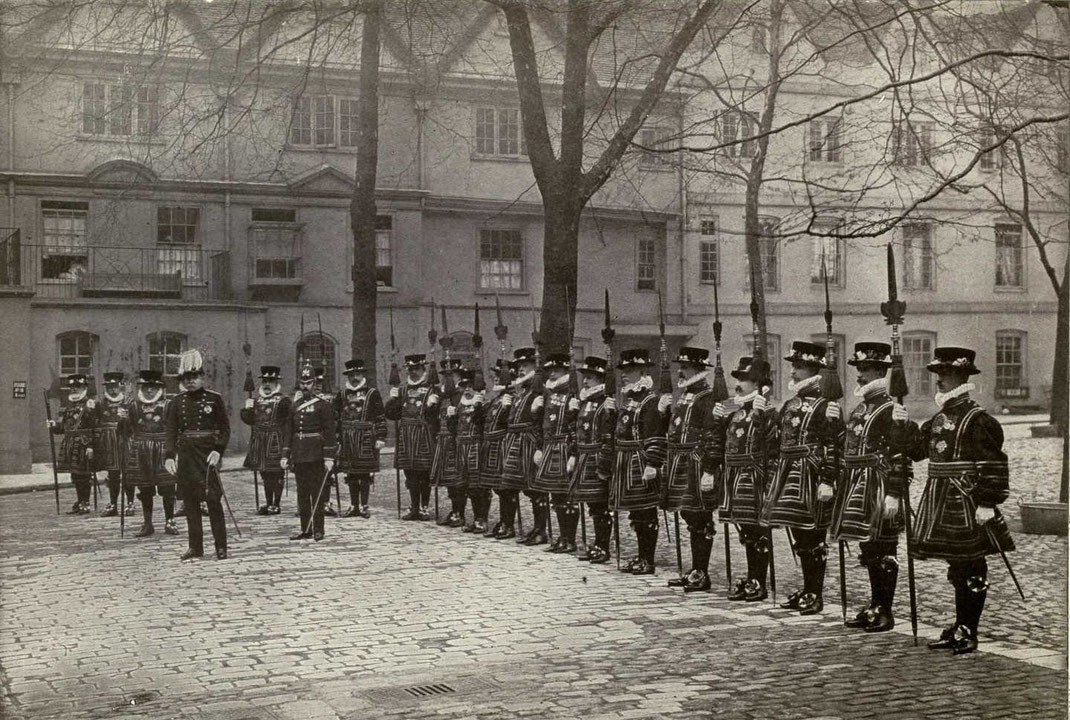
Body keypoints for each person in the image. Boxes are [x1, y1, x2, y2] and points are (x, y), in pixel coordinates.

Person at [900, 346, 1015, 655]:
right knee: (957, 566)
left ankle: (969, 629)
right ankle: (960, 624)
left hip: (966, 500)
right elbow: (917, 452)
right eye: (938, 373)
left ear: (962, 376)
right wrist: (904, 425)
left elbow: (992, 463)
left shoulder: (978, 419)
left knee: (972, 564)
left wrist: (987, 502)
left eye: (946, 374)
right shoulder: (939, 417)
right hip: (940, 500)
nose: (940, 379)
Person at [829, 342, 906, 632]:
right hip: (856, 484)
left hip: (879, 484)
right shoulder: (861, 408)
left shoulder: (890, 408)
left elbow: (901, 457)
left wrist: (895, 493)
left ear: (880, 371)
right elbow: (845, 446)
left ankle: (885, 610)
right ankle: (875, 604)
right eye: (859, 369)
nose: (860, 375)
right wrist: (833, 425)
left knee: (884, 546)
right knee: (868, 546)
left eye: (867, 370)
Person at [764, 341, 842, 615]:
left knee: (813, 535)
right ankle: (807, 588)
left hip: (811, 475)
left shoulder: (826, 405)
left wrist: (827, 479)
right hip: (788, 474)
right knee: (798, 534)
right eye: (793, 366)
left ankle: (814, 592)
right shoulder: (789, 404)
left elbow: (833, 445)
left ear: (813, 370)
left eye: (798, 367)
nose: (793, 372)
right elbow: (775, 439)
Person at [716, 356, 777, 601]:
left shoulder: (769, 413)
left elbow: (772, 449)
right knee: (747, 531)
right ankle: (752, 577)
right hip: (736, 478)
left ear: (759, 385)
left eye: (745, 380)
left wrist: (770, 483)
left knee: (759, 531)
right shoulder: (738, 414)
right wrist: (718, 421)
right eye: (739, 379)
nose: (738, 385)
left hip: (757, 478)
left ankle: (759, 582)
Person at [661, 347, 720, 592]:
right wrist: (663, 413)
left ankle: (701, 572)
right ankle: (695, 569)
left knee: (700, 515)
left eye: (684, 367)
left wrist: (709, 469)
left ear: (697, 369)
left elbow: (714, 435)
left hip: (696, 461)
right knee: (688, 514)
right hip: (680, 461)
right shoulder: (685, 396)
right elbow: (674, 429)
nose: (680, 372)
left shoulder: (708, 397)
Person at [164, 350, 231, 560]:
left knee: (213, 501)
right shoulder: (177, 402)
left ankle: (221, 546)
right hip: (186, 456)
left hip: (207, 455)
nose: (191, 382)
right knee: (190, 503)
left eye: (194, 378)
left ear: (202, 377)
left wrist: (217, 451)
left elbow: (225, 429)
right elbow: (170, 432)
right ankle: (196, 547)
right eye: (186, 379)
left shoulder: (214, 400)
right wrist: (168, 456)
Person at [611, 349, 666, 575]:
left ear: (643, 372)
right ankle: (641, 556)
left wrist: (653, 463)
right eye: (623, 370)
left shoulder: (650, 401)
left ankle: (648, 559)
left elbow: (655, 433)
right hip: (625, 461)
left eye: (630, 370)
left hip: (641, 461)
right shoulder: (630, 399)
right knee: (636, 512)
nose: (624, 374)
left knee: (646, 511)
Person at [281, 362, 337, 541]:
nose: (306, 386)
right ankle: (306, 528)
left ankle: (319, 529)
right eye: (303, 383)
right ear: (299, 383)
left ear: (315, 384)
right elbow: (289, 431)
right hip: (299, 454)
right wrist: (285, 455)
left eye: (309, 383)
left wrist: (329, 457)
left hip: (317, 455)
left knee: (317, 493)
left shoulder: (323, 405)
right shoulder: (294, 405)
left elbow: (329, 433)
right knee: (302, 493)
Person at [568, 356, 615, 563]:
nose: (585, 382)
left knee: (600, 505)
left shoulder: (606, 403)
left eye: (590, 378)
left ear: (600, 379)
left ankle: (602, 546)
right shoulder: (584, 403)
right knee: (591, 504)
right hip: (584, 457)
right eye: (584, 378)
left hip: (597, 458)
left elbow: (609, 436)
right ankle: (595, 544)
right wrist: (572, 454)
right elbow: (575, 431)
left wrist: (605, 463)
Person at [531, 353, 580, 554]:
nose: (552, 374)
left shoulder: (573, 394)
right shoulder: (547, 394)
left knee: (567, 495)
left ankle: (570, 538)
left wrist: (574, 453)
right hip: (550, 448)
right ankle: (562, 536)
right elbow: (541, 425)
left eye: (557, 370)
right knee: (556, 496)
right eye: (550, 370)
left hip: (565, 447)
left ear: (566, 372)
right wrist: (539, 447)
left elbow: (578, 427)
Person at [501, 348, 547, 546]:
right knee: (510, 485)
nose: (520, 370)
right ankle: (509, 525)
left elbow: (543, 422)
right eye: (518, 366)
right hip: (514, 441)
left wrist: (539, 445)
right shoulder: (520, 393)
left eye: (525, 366)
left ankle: (540, 529)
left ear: (534, 367)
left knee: (535, 488)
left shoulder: (541, 391)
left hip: (529, 440)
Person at [124, 370, 178, 536]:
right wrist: (123, 421)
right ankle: (148, 524)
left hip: (163, 448)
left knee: (167, 487)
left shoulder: (169, 405)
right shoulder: (133, 406)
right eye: (146, 387)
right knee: (145, 488)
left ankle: (170, 521)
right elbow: (127, 431)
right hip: (141, 450)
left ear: (160, 388)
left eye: (153, 387)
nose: (149, 391)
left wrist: (173, 452)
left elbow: (174, 429)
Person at [385, 354, 437, 521]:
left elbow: (437, 417)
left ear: (423, 369)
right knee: (410, 473)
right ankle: (414, 506)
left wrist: (432, 406)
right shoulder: (402, 389)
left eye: (417, 369)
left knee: (424, 472)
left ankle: (424, 506)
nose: (414, 372)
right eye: (411, 369)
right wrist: (392, 400)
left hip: (424, 434)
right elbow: (392, 415)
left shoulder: (431, 388)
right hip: (406, 434)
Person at [333, 359, 387, 518]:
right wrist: (336, 438)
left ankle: (364, 506)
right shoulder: (342, 394)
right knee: (350, 473)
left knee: (364, 473)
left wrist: (381, 436)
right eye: (351, 375)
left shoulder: (372, 393)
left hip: (366, 437)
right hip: (347, 437)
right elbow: (335, 418)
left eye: (357, 374)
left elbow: (380, 416)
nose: (354, 378)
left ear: (363, 375)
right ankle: (353, 505)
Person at [241, 366, 291, 516]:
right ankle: (268, 503)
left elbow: (289, 422)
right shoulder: (256, 400)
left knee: (276, 472)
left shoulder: (284, 401)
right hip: (259, 441)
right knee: (264, 473)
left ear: (276, 383)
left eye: (271, 381)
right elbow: (249, 420)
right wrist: (246, 409)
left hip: (276, 440)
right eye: (265, 382)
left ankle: (276, 504)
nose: (267, 384)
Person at [47, 374, 98, 515]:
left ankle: (85, 503)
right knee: (75, 476)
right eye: (72, 387)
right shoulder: (70, 407)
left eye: (78, 387)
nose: (74, 389)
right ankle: (79, 500)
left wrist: (91, 446)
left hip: (83, 444)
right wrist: (54, 425)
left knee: (84, 475)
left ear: (84, 388)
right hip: (70, 444)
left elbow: (95, 428)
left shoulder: (90, 406)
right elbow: (64, 427)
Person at [480, 360, 515, 539]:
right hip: (491, 446)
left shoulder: (511, 399)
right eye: (493, 377)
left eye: (498, 377)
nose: (494, 380)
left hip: (503, 446)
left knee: (506, 488)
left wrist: (508, 407)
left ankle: (508, 524)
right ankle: (503, 521)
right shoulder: (494, 400)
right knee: (498, 488)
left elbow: (508, 423)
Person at [431, 358, 466, 527]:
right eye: (446, 376)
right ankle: (454, 510)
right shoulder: (442, 396)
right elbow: (433, 420)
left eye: (452, 375)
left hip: (457, 440)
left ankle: (460, 512)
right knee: (448, 480)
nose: (448, 379)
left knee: (458, 479)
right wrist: (431, 406)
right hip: (443, 439)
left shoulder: (463, 394)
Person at [454, 368, 489, 533]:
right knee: (466, 485)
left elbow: (484, 425)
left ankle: (482, 519)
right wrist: (451, 417)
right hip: (462, 447)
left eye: (470, 385)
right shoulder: (459, 403)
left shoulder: (482, 403)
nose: (467, 389)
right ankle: (475, 519)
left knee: (479, 486)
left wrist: (479, 407)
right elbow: (454, 428)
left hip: (477, 446)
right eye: (464, 385)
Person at [98, 371, 135, 517]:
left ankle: (130, 503)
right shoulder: (101, 404)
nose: (112, 389)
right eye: (109, 386)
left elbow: (136, 423)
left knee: (127, 473)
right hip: (108, 442)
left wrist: (127, 420)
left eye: (115, 386)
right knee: (113, 474)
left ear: (121, 386)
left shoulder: (129, 402)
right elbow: (96, 423)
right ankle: (113, 504)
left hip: (124, 440)